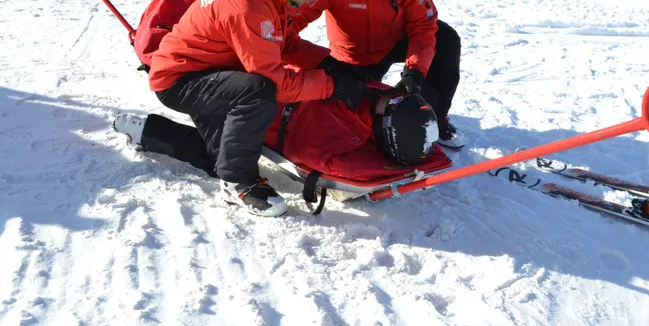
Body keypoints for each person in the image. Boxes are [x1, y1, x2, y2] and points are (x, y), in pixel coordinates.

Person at [113, 0, 372, 218]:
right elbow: (277, 81)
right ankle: (238, 183)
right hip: (180, 79)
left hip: (209, 71)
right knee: (258, 91)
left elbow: (284, 42)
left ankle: (147, 132)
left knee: (220, 160)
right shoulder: (250, 3)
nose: (314, 1)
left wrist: (329, 63)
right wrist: (332, 86)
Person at [294, 0, 464, 149]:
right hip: (353, 57)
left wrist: (415, 71)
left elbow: (423, 26)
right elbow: (295, 18)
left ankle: (433, 117)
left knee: (445, 39)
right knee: (358, 118)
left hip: (393, 40)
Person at [113, 88, 445, 200]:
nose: (387, 101)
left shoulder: (360, 110)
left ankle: (149, 131)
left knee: (225, 155)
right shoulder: (353, 124)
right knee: (222, 163)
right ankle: (148, 132)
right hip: (249, 98)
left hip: (258, 95)